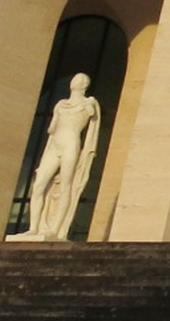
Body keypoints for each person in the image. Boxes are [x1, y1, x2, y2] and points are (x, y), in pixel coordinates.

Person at [7, 73, 101, 242]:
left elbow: (93, 121)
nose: (76, 81)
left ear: (84, 85)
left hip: (71, 145)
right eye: (75, 79)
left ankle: (56, 231)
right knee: (39, 185)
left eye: (80, 80)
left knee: (66, 186)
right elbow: (51, 129)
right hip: (55, 145)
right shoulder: (60, 104)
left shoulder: (89, 103)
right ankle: (34, 228)